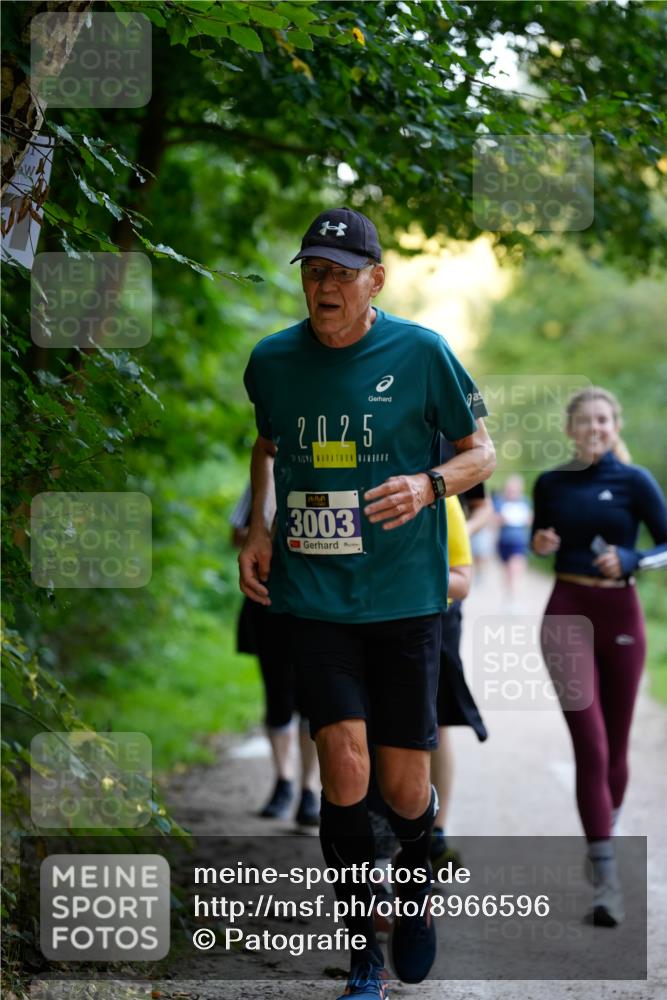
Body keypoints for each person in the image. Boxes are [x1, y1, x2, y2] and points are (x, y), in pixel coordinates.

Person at [239, 206, 495, 998]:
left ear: (373, 281)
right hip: (314, 598)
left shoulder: (422, 354)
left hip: (405, 598)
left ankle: (414, 892)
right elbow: (269, 441)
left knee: (403, 786)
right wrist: (258, 522)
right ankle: (362, 954)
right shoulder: (273, 361)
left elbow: (479, 452)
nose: (324, 286)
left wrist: (426, 485)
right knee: (342, 770)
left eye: (341, 274)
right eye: (313, 271)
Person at [531, 386, 667, 927]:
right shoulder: (551, 483)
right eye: (584, 421)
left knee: (615, 749)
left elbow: (666, 545)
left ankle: (600, 836)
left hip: (621, 615)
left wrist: (632, 558)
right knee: (590, 745)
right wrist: (539, 544)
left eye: (603, 420)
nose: (594, 429)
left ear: (616, 425)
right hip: (566, 611)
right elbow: (540, 539)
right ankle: (607, 880)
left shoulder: (635, 482)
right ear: (569, 429)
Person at [231, 485, 320, 826]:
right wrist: (268, 537)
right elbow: (235, 535)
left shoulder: (328, 474)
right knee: (278, 694)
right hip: (267, 602)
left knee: (313, 700)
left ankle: (309, 790)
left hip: (315, 603)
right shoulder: (261, 484)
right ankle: (283, 780)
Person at [493, 474, 532, 608]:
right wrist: (502, 519)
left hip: (519, 542)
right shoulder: (499, 501)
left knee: (515, 570)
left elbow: (530, 520)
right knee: (507, 572)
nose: (512, 492)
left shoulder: (525, 502)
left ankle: (515, 600)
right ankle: (508, 596)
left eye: (515, 489)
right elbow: (493, 520)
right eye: (510, 489)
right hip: (504, 542)